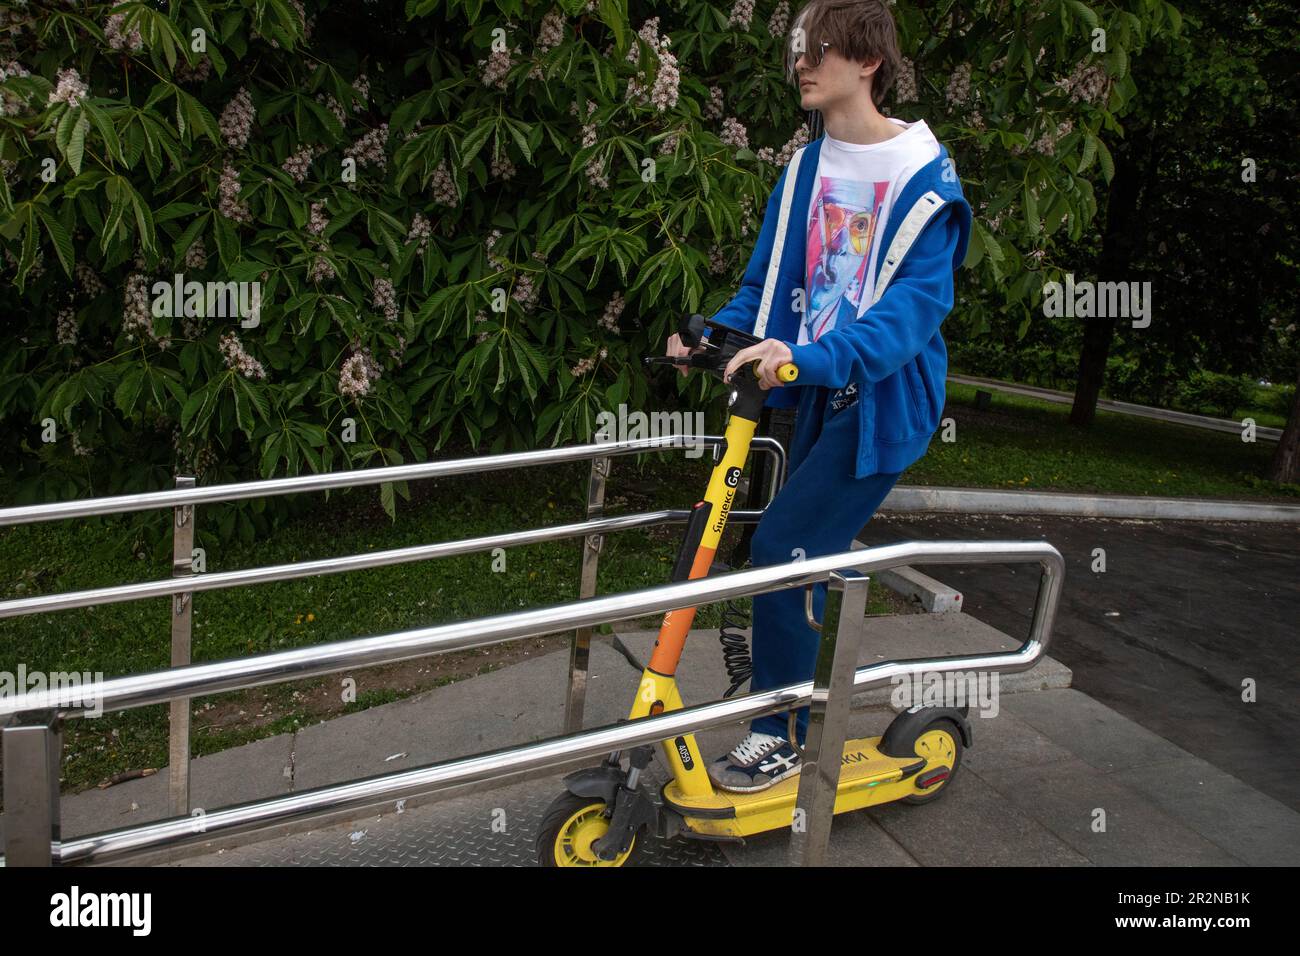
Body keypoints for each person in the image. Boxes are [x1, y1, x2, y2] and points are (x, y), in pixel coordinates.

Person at [665, 0, 972, 792]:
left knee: (785, 552)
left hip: (878, 405)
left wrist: (807, 360)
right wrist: (716, 335)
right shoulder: (805, 169)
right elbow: (768, 285)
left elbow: (909, 317)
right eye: (799, 52)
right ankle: (788, 703)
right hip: (807, 393)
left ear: (867, 61)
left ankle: (781, 731)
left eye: (820, 50)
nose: (802, 65)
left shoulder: (923, 180)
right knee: (788, 555)